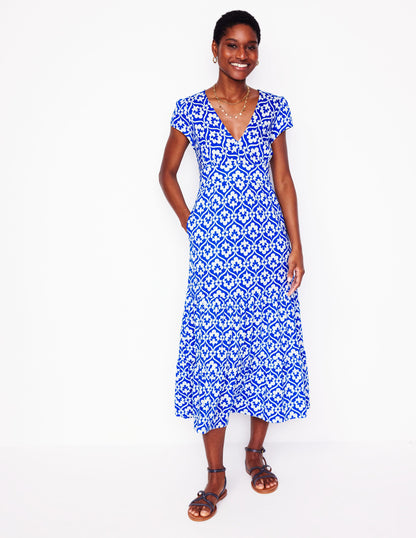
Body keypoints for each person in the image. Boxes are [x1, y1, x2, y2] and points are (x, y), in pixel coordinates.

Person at [158, 10, 310, 522]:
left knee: (268, 346)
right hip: (215, 254)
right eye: (232, 45)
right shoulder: (190, 109)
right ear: (215, 49)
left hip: (267, 249)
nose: (241, 55)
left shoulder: (273, 108)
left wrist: (296, 245)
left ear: (257, 53)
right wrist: (192, 223)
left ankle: (255, 454)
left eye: (250, 46)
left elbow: (283, 180)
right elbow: (166, 173)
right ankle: (215, 476)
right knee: (211, 353)